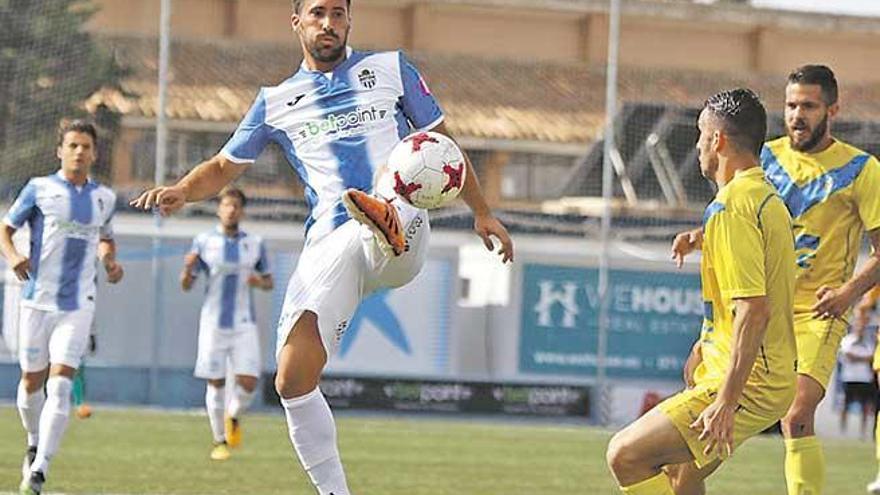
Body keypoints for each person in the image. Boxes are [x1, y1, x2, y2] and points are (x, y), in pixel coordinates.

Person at [131, 1, 513, 493]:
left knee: (396, 195)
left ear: (350, 20)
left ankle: (385, 220)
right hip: (332, 241)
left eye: (338, 12)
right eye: (317, 12)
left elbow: (441, 147)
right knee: (291, 379)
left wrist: (481, 211)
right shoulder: (275, 100)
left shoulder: (391, 68)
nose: (328, 22)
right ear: (297, 22)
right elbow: (225, 166)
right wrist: (183, 189)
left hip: (406, 223)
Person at [672, 65, 880, 495]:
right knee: (696, 387)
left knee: (797, 413)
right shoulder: (761, 156)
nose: (796, 115)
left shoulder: (862, 170)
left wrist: (847, 293)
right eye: (790, 105)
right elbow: (736, 215)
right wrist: (700, 235)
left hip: (816, 314)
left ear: (832, 109)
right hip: (759, 304)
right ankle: (681, 482)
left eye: (808, 105)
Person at [606, 88, 796, 495]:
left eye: (700, 134)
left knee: (625, 453)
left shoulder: (732, 207)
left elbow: (754, 310)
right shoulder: (762, 197)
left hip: (751, 382)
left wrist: (726, 401)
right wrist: (701, 237)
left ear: (717, 140)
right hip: (767, 375)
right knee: (681, 476)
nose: (696, 145)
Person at [0, 119, 124, 495]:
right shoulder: (38, 189)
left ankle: (40, 468)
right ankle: (34, 440)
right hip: (36, 301)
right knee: (29, 385)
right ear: (60, 151)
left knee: (61, 383)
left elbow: (105, 238)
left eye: (86, 146)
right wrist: (14, 256)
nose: (79, 152)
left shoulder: (105, 198)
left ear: (94, 153)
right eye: (72, 145)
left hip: (78, 303)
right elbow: (5, 229)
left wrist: (110, 261)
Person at [181, 186, 273, 460]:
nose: (230, 210)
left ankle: (232, 415)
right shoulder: (203, 241)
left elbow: (269, 281)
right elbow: (186, 285)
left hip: (244, 322)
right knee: (216, 381)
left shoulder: (254, 243)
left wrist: (258, 281)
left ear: (242, 211)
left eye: (235, 206)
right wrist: (187, 268)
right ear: (219, 209)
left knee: (248, 380)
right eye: (226, 205)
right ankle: (219, 440)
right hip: (213, 322)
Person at [837, 318, 875, 437]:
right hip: (849, 377)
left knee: (865, 406)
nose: (861, 329)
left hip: (864, 378)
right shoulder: (846, 340)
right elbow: (847, 355)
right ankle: (843, 431)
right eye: (859, 327)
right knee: (845, 404)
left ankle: (862, 432)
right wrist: (863, 358)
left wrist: (857, 358)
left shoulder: (869, 342)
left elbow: (872, 357)